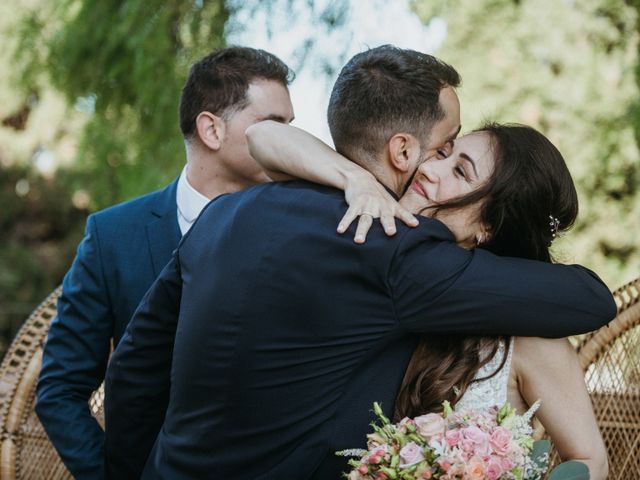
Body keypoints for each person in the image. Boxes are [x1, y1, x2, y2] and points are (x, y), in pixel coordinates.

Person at [104, 45, 615, 480]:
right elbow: (590, 298)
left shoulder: (224, 214)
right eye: (444, 147)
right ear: (402, 149)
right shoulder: (398, 251)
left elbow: (132, 370)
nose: (434, 167)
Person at [245, 121, 609, 479]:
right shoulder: (378, 239)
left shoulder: (528, 336)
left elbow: (590, 461)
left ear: (489, 227)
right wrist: (357, 178)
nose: (430, 169)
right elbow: (262, 134)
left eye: (460, 171)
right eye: (443, 153)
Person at [35, 46, 294, 479]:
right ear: (211, 130)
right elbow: (60, 390)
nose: (291, 141)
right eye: (274, 126)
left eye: (293, 127)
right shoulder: (112, 237)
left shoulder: (300, 230)